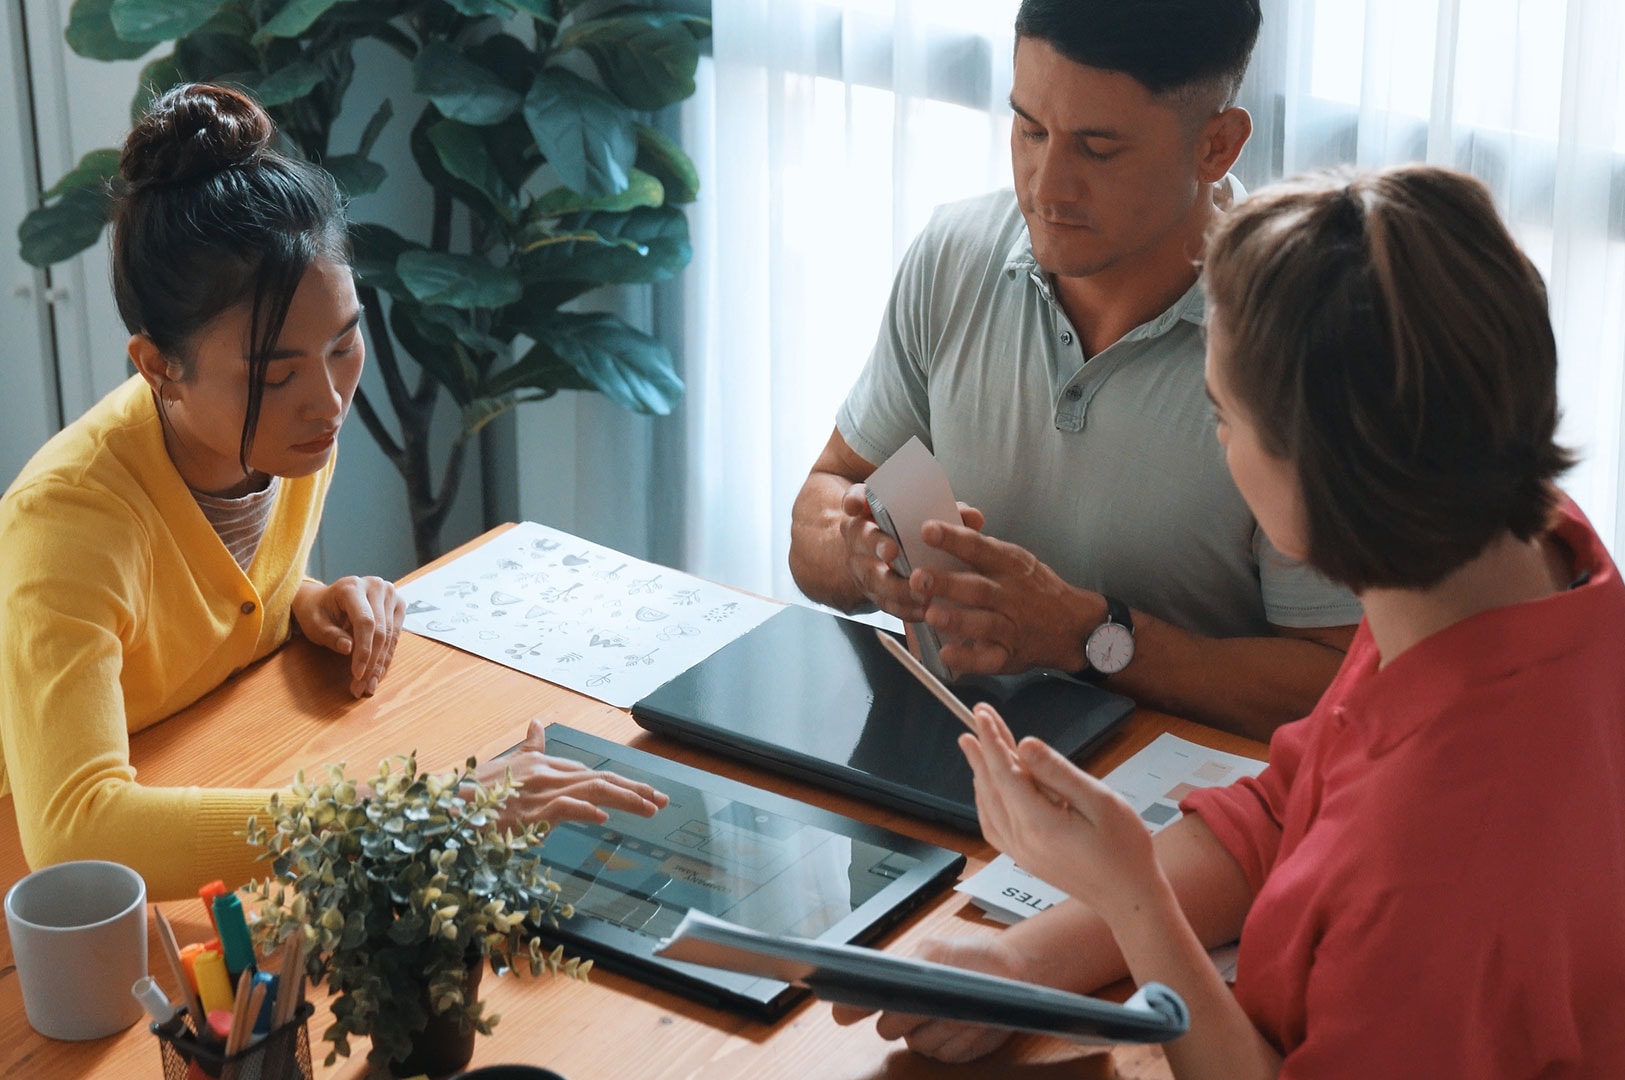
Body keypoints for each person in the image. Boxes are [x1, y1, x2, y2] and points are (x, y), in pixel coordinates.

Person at [838, 165, 1625, 1076]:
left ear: (1320, 471)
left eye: (1222, 416)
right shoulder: (1511, 559)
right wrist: (1022, 963)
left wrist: (1133, 898)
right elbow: (1286, 812)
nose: (1217, 445)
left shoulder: (1442, 865)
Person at [0, 84, 666, 904]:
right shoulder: (67, 519)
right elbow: (75, 829)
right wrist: (423, 814)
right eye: (275, 373)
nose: (328, 400)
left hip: (192, 792)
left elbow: (188, 605)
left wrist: (299, 601)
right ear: (158, 365)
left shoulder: (288, 434)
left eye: (344, 343)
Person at [788, 0, 1364, 740]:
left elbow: (1335, 688)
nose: (1045, 187)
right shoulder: (952, 257)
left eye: (1097, 149)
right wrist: (859, 557)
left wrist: (1090, 636)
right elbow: (822, 498)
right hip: (943, 760)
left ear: (1216, 147)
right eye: (1029, 129)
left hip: (1170, 812)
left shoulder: (1300, 342)